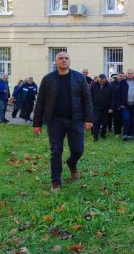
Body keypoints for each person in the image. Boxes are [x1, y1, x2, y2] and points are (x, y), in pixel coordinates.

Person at [32, 51, 93, 191]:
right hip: (55, 121)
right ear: (56, 61)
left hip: (75, 120)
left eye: (66, 58)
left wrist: (89, 119)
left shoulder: (79, 78)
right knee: (56, 151)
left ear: (70, 61)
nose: (64, 60)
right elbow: (40, 101)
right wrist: (37, 123)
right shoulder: (48, 79)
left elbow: (87, 98)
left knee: (78, 150)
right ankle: (56, 181)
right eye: (61, 58)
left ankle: (72, 163)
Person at [116, 69, 134, 141]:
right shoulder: (122, 83)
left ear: (133, 74)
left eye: (131, 73)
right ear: (126, 74)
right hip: (125, 105)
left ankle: (131, 134)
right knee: (126, 119)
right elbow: (117, 94)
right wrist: (119, 105)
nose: (130, 74)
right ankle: (125, 134)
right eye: (129, 73)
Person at [90, 74, 114, 141]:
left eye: (103, 81)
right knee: (96, 121)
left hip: (106, 108)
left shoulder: (110, 86)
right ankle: (95, 136)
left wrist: (111, 108)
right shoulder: (94, 85)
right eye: (100, 80)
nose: (101, 82)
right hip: (95, 107)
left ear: (105, 79)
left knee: (105, 122)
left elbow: (112, 98)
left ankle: (103, 135)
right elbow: (90, 96)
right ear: (98, 79)